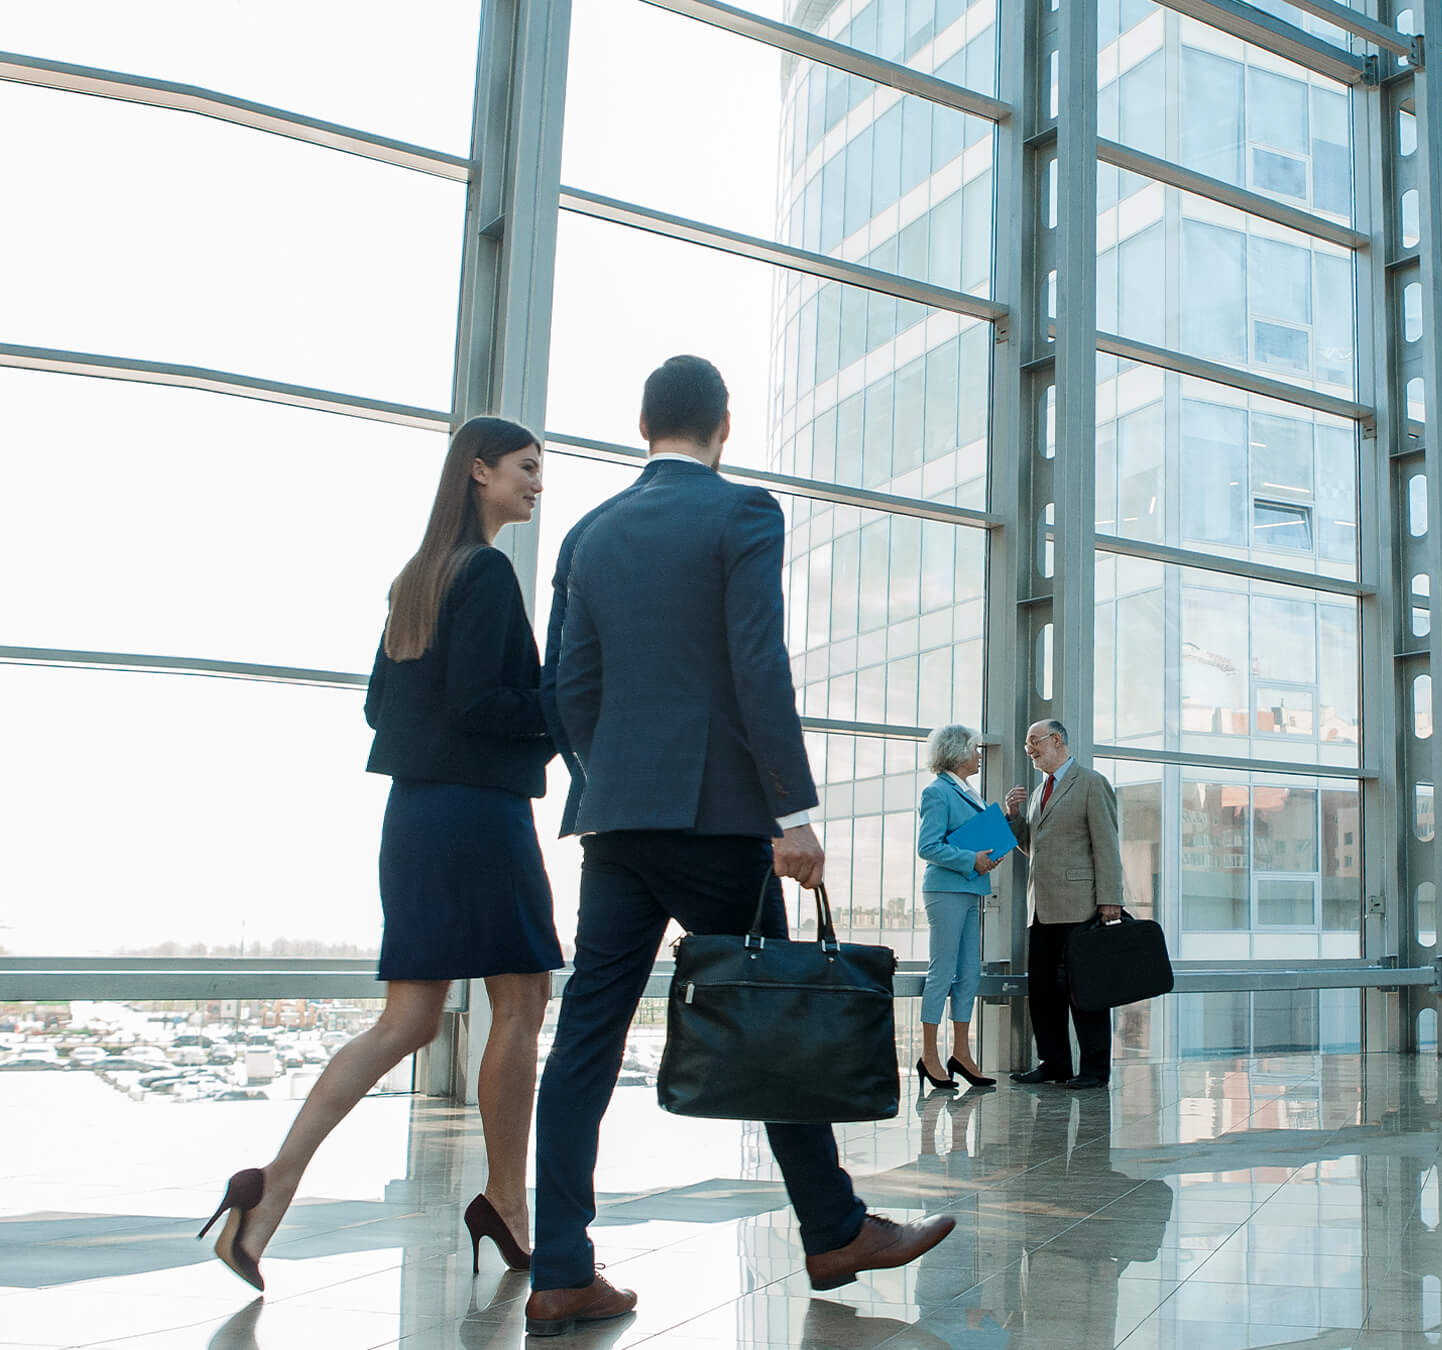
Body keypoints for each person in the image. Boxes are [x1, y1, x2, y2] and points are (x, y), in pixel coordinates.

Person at [523, 357, 953, 1337]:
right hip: (717, 817)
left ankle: (561, 1269)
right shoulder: (743, 513)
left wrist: (612, 772)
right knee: (773, 1017)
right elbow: (759, 662)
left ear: (643, 425)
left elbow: (565, 689)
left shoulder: (590, 533)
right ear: (723, 425)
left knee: (585, 1040)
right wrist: (789, 810)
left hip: (616, 821)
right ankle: (834, 1230)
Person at [197, 417, 559, 1291]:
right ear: (479, 471)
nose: (537, 482)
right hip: (479, 815)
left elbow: (376, 708)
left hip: (416, 816)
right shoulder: (486, 572)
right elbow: (481, 704)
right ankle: (508, 1205)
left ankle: (270, 1188)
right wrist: (566, 705)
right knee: (521, 1001)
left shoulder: (417, 578)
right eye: (525, 466)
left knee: (407, 1020)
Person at [999, 719, 1125, 1090]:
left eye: (1033, 742)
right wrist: (1013, 817)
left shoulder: (1091, 783)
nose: (1029, 750)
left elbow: (1107, 844)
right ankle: (1054, 1063)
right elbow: (1031, 848)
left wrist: (1110, 899)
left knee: (1086, 990)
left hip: (1080, 907)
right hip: (1041, 908)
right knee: (1043, 992)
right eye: (1027, 745)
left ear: (1056, 739)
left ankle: (1095, 1071)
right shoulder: (1040, 792)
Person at [914, 723, 1001, 1091]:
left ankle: (962, 1054)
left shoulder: (967, 791)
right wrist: (971, 859)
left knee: (968, 972)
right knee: (943, 970)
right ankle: (929, 1055)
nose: (979, 755)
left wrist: (990, 848)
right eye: (975, 749)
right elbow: (927, 846)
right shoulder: (937, 792)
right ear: (958, 752)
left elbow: (973, 838)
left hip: (970, 888)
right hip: (946, 890)